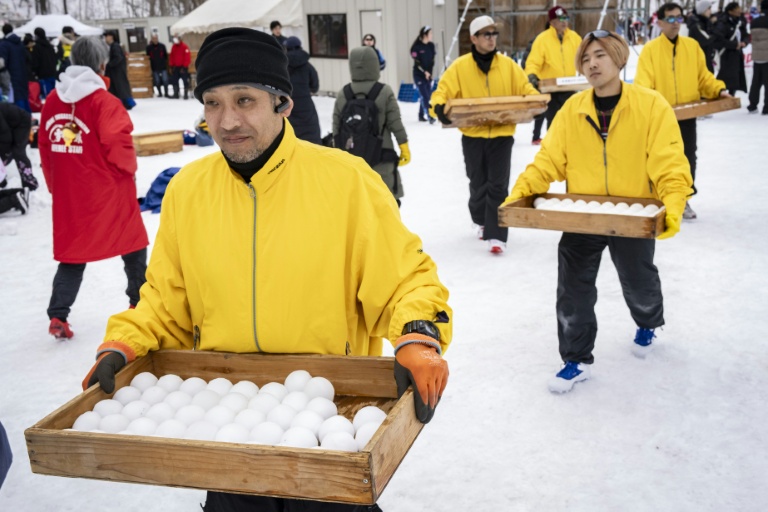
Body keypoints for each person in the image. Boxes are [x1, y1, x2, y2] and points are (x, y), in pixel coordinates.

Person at [81, 27, 451, 512]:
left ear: (283, 103)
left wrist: (418, 334)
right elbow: (167, 302)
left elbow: (405, 279)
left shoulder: (345, 182)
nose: (226, 120)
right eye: (212, 103)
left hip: (329, 421)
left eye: (244, 100)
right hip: (228, 425)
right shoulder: (188, 191)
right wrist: (125, 342)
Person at [504, 31, 693, 393]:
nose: (591, 64)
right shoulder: (572, 110)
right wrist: (522, 192)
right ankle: (575, 359)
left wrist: (673, 204)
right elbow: (548, 161)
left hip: (633, 217)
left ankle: (648, 321)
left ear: (619, 58)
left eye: (600, 55)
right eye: (586, 58)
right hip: (583, 215)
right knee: (573, 288)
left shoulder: (651, 106)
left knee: (639, 280)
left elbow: (669, 161)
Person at [38, 36, 149, 340]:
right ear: (102, 63)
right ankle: (139, 302)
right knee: (133, 246)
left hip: (71, 195)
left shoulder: (53, 100)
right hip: (109, 192)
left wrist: (55, 185)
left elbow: (45, 145)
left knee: (72, 255)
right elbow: (118, 144)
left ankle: (58, 314)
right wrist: (129, 170)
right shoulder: (105, 102)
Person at [430, 15, 539, 254]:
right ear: (474, 38)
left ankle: (497, 235)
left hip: (502, 134)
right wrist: (438, 107)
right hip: (473, 135)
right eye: (486, 34)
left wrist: (534, 99)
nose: (492, 38)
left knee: (498, 185)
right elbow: (442, 91)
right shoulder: (460, 67)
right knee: (478, 183)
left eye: (494, 34)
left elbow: (525, 88)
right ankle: (480, 219)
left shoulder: (508, 66)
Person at [635, 2, 728, 220]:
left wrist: (719, 89)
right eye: (670, 19)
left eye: (679, 18)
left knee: (687, 159)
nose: (676, 23)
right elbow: (642, 86)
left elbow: (704, 78)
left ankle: (683, 200)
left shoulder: (692, 47)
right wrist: (650, 109)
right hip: (661, 118)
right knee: (661, 159)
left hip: (687, 115)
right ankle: (658, 198)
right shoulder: (650, 50)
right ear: (660, 22)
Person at [333, 46, 410, 205]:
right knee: (385, 204)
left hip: (352, 161)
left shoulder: (344, 93)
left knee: (358, 205)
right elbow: (395, 123)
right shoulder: (384, 91)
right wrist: (404, 146)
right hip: (381, 157)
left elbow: (336, 128)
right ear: (374, 64)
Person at [524, 6, 583, 145]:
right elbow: (533, 62)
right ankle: (553, 149)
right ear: (552, 22)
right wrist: (532, 75)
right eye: (560, 19)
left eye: (566, 18)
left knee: (572, 121)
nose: (564, 21)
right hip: (551, 90)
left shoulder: (574, 38)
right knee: (554, 123)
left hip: (569, 88)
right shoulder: (542, 39)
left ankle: (571, 149)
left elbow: (584, 57)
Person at [284, 36, 321, 144]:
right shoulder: (308, 66)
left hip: (287, 107)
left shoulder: (282, 67)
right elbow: (315, 86)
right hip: (306, 107)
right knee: (311, 139)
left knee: (291, 140)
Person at [0, 102, 38, 190]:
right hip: (10, 125)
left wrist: (4, 155)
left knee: (18, 152)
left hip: (22, 122)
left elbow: (6, 137)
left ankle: (29, 181)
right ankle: (2, 180)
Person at [714, 2, 748, 95]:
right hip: (726, 55)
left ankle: (732, 95)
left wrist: (745, 42)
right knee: (724, 78)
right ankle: (721, 94)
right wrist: (734, 44)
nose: (739, 10)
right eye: (737, 9)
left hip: (737, 54)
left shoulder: (740, 21)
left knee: (735, 78)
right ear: (730, 11)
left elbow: (745, 34)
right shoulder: (723, 22)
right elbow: (719, 39)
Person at [687, 0, 723, 72]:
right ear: (703, 10)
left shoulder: (705, 22)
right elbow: (707, 39)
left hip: (707, 59)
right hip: (699, 62)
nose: (710, 11)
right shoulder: (696, 25)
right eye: (709, 9)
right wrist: (717, 31)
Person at [0, 24, 30, 111]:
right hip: (22, 74)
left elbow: (1, 63)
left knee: (14, 98)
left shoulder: (4, 44)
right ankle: (27, 116)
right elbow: (28, 58)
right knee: (23, 97)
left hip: (10, 76)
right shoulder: (20, 43)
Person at [410, 26, 436, 123]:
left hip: (428, 75)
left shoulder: (431, 46)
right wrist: (424, 71)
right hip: (419, 75)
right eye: (430, 33)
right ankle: (430, 115)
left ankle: (421, 115)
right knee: (425, 96)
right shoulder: (416, 47)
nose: (432, 35)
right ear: (425, 35)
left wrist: (429, 72)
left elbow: (432, 61)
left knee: (427, 95)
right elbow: (417, 62)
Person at [103, 30, 134, 110]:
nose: (105, 38)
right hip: (117, 72)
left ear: (111, 37)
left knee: (120, 88)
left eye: (106, 36)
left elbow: (118, 57)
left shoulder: (115, 46)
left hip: (117, 72)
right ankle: (123, 103)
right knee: (119, 88)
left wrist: (109, 65)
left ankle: (126, 103)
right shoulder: (114, 46)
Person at [747, 0, 768, 114]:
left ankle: (752, 104)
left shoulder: (754, 22)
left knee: (756, 82)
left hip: (757, 55)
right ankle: (766, 107)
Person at [31, 27, 57, 98]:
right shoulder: (50, 46)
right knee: (54, 94)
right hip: (52, 72)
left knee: (47, 95)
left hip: (43, 74)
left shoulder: (36, 47)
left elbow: (35, 61)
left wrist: (34, 72)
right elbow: (55, 58)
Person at [146, 33, 169, 98]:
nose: (155, 40)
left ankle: (166, 93)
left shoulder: (162, 46)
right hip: (154, 67)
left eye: (156, 38)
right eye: (153, 38)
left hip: (163, 67)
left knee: (165, 80)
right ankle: (160, 93)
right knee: (157, 81)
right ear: (152, 39)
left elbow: (165, 56)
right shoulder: (149, 47)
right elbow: (147, 57)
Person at [169, 34, 191, 99]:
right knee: (174, 80)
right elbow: (171, 56)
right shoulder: (173, 47)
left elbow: (187, 57)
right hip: (176, 67)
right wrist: (171, 66)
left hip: (183, 67)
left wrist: (184, 66)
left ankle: (185, 94)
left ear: (180, 39)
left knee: (185, 81)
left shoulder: (185, 46)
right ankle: (176, 94)